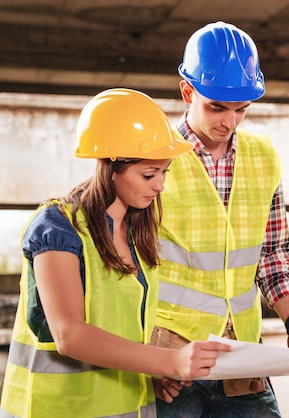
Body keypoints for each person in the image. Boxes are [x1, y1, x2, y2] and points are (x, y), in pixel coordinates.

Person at [0, 88, 233, 418]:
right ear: (110, 167)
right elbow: (71, 336)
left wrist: (146, 373)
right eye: (149, 174)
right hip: (57, 410)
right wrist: (170, 360)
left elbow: (122, 333)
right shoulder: (58, 226)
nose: (160, 185)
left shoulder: (138, 229)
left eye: (164, 171)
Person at [151, 21, 289, 417]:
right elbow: (125, 270)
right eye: (217, 107)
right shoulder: (153, 158)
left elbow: (272, 257)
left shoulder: (264, 156)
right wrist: (147, 358)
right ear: (188, 92)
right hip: (170, 357)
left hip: (240, 356)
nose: (230, 121)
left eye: (242, 109)